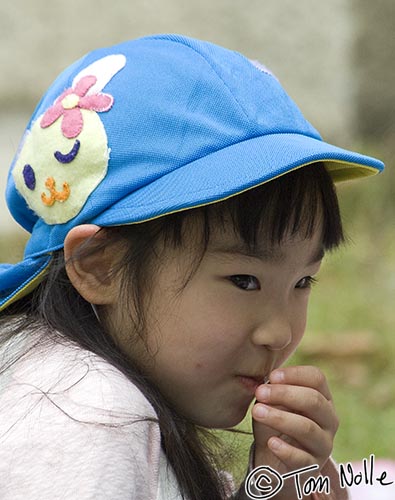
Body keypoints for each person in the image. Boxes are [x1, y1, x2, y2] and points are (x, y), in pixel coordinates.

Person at [0, 34, 384, 500]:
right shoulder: (84, 416)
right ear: (99, 266)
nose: (279, 333)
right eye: (244, 280)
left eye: (303, 281)